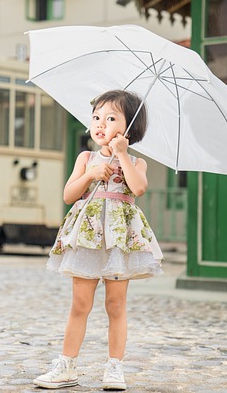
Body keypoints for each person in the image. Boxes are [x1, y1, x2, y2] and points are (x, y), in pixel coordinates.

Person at [33, 90, 163, 391]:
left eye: (111, 118)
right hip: (89, 238)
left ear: (130, 127)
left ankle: (115, 367)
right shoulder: (86, 158)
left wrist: (121, 155)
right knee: (79, 303)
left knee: (116, 305)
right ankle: (66, 364)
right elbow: (68, 196)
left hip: (118, 242)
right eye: (96, 117)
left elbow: (138, 188)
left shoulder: (136, 162)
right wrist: (91, 174)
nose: (100, 124)